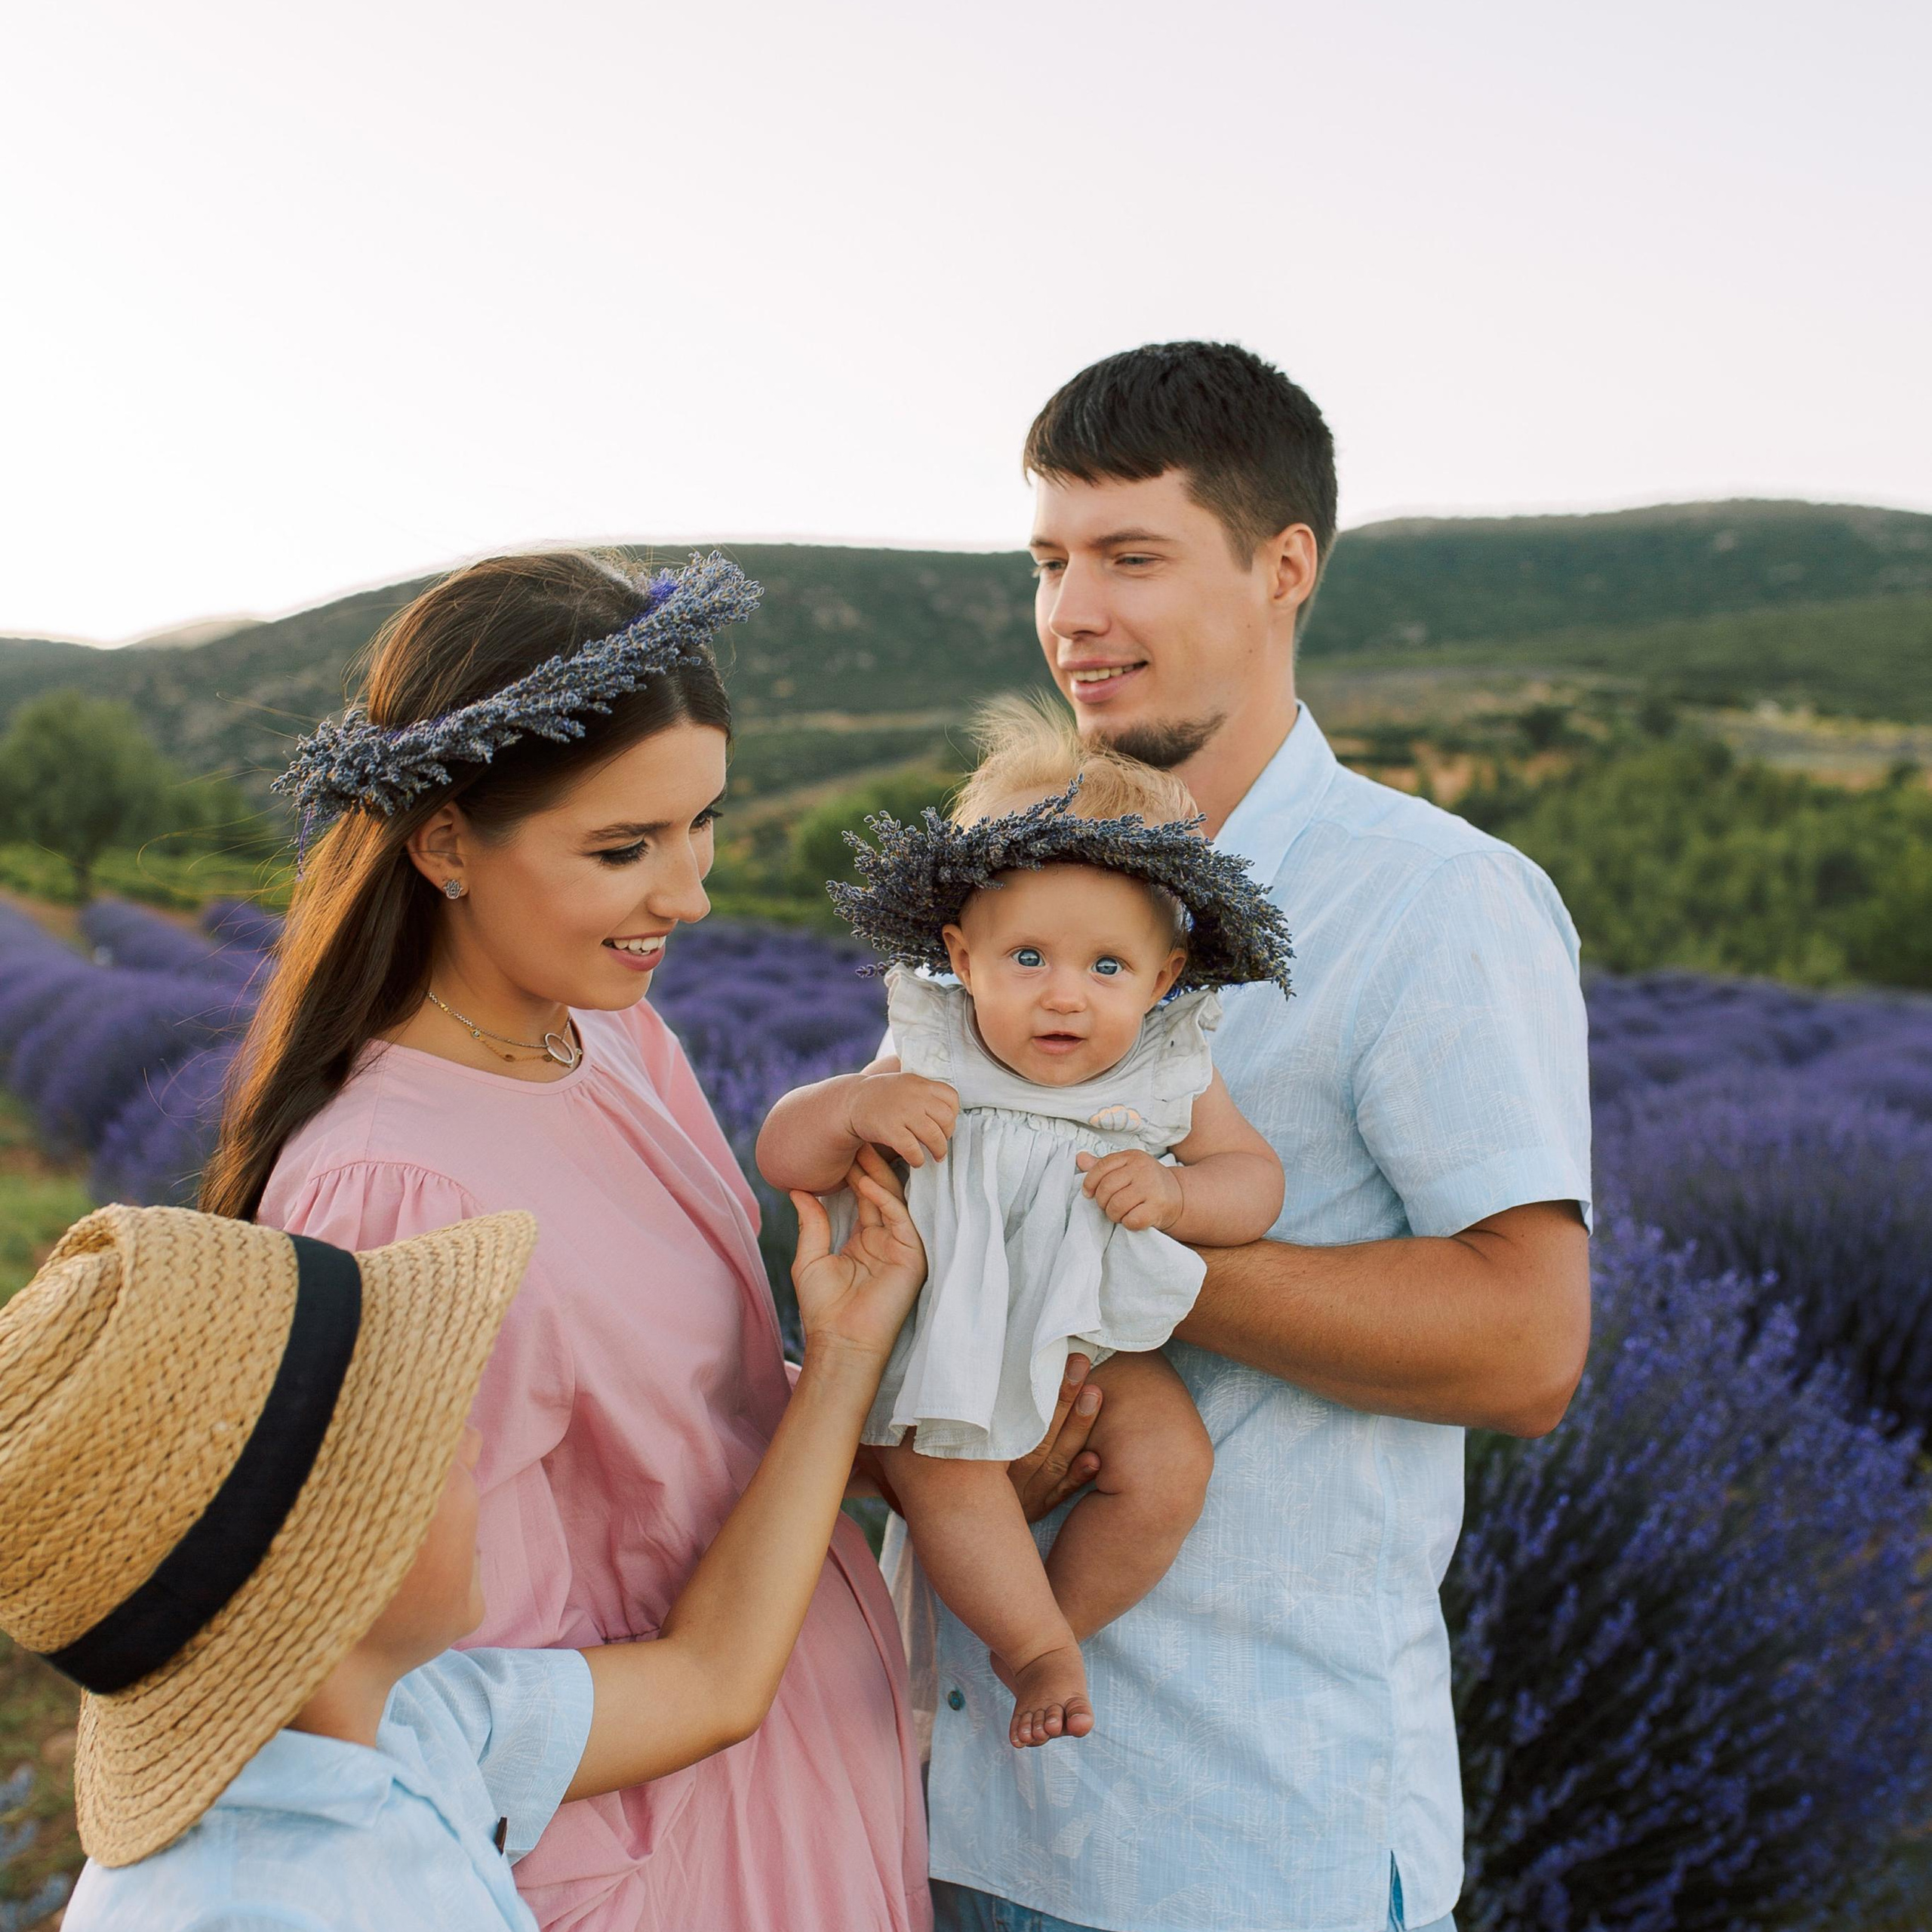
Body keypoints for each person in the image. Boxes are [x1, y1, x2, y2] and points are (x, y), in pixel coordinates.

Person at [201, 549, 1097, 1930]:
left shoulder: (612, 1038)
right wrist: (848, 1373)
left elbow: (687, 1445)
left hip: (809, 1758)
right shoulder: (394, 1198)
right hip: (660, 1846)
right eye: (623, 850)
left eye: (702, 824)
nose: (689, 896)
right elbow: (424, 1695)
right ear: (443, 844)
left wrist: (923, 1434)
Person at [908, 343, 1594, 1932]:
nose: (1072, 611)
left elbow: (1525, 1340)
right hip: (940, 1810)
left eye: (1130, 556)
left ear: (1284, 566)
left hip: (1227, 1841)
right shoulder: (996, 887)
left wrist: (1084, 1243)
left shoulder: (1431, 900)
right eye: (1050, 560)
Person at [7, 1158, 927, 1928]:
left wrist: (842, 1356)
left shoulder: (409, 1721)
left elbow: (712, 1678)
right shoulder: (250, 1908)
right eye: (431, 1438)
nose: (479, 1447)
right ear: (328, 1563)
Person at [758, 706, 1287, 1749]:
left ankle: (1058, 1626)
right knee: (946, 1477)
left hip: (1091, 1334)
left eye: (1106, 969)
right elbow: (784, 1151)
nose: (1065, 999)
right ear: (963, 952)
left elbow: (1253, 1181)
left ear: (1164, 978)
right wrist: (856, 1111)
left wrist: (1181, 1198)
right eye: (1028, 957)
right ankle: (1030, 1644)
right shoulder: (931, 1048)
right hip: (951, 1339)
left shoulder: (1168, 1070)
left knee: (1170, 1463)